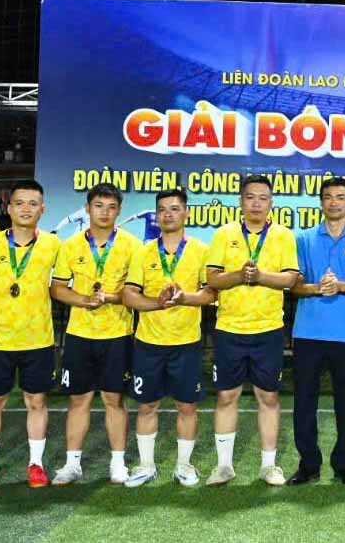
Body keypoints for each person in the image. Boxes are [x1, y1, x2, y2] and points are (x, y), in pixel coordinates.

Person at [205, 175, 300, 487]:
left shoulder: (284, 236)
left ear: (271, 202)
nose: (256, 203)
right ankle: (223, 466)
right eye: (250, 197)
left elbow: (289, 280)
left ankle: (268, 466)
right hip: (229, 328)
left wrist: (258, 276)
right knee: (226, 395)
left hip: (268, 329)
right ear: (240, 201)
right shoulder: (224, 234)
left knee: (268, 397)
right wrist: (238, 275)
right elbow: (213, 280)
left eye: (263, 197)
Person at [0, 180, 62, 491]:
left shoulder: (53, 245)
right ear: (8, 208)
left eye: (33, 203)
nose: (26, 208)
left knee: (36, 401)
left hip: (38, 339)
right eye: (19, 203)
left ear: (42, 209)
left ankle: (36, 464)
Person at [121, 188, 216, 487]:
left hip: (186, 343)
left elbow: (210, 294)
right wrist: (157, 303)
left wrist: (184, 297)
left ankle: (184, 466)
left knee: (186, 406)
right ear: (156, 215)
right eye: (162, 209)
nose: (168, 214)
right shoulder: (143, 251)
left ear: (186, 213)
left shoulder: (202, 250)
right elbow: (128, 295)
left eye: (174, 209)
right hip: (149, 343)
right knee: (147, 406)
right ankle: (146, 465)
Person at [50, 183, 141, 484]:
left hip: (117, 333)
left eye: (111, 207)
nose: (105, 212)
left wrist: (112, 298)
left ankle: (117, 464)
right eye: (99, 206)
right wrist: (84, 300)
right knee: (79, 399)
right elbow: (58, 288)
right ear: (87, 209)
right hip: (80, 333)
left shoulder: (131, 245)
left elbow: (135, 291)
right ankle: (72, 463)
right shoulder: (70, 245)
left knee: (114, 399)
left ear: (119, 211)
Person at [288, 177, 345, 487]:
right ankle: (308, 464)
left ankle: (343, 466)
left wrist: (340, 286)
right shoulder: (303, 239)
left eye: (340, 197)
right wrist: (314, 288)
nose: (334, 202)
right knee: (304, 402)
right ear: (321, 202)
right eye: (328, 197)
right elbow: (294, 286)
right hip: (308, 333)